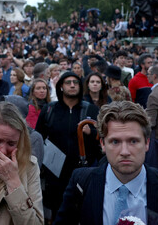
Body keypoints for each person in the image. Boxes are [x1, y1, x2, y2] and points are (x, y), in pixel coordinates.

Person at [54, 101, 158, 225]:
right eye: (115, 142)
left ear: (147, 143)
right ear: (103, 144)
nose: (125, 151)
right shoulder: (81, 183)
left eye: (133, 141)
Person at [35, 71, 100, 221]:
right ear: (61, 87)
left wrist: (92, 132)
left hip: (83, 171)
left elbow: (103, 138)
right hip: (55, 174)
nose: (72, 85)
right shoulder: (49, 110)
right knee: (59, 214)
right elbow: (39, 138)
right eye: (68, 82)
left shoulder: (90, 110)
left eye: (75, 82)